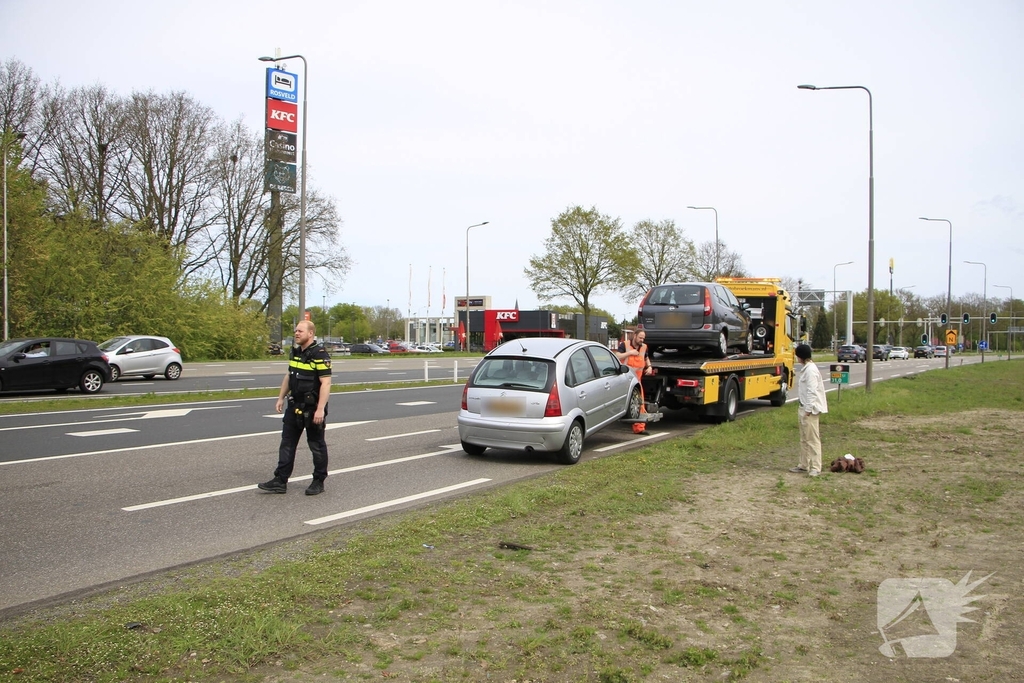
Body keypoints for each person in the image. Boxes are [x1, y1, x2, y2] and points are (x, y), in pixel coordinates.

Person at [259, 321, 332, 496]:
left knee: (316, 445)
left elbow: (326, 382)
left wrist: (320, 409)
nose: (296, 333)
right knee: (287, 443)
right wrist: (281, 397)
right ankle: (280, 480)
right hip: (294, 406)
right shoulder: (296, 352)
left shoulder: (319, 354)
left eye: (300, 331)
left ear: (311, 333)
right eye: (295, 331)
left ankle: (318, 481)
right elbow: (289, 376)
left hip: (312, 409)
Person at [790, 343, 828, 477]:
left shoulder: (811, 370)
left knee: (812, 438)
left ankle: (816, 466)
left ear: (800, 357)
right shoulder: (807, 369)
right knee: (804, 438)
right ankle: (803, 464)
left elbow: (812, 391)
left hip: (809, 410)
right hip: (803, 407)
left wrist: (808, 409)